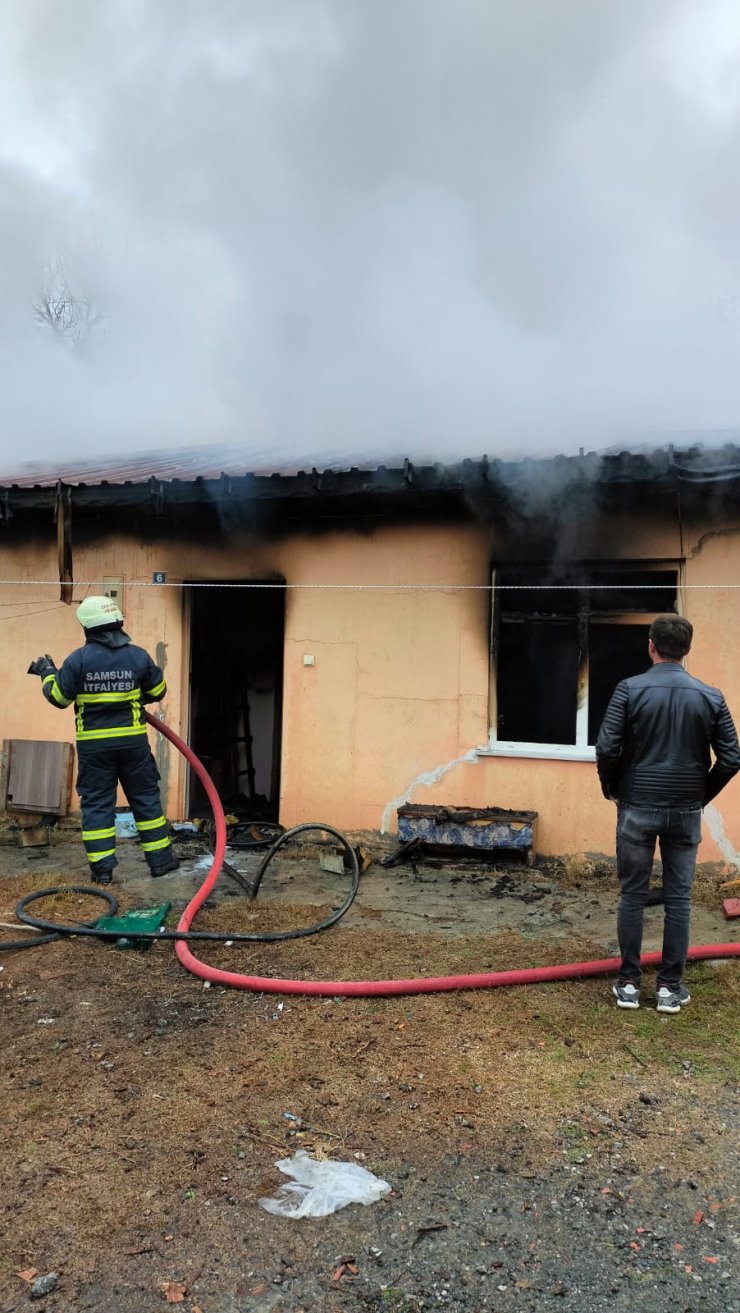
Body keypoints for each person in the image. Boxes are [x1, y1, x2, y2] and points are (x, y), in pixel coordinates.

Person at [596, 614, 740, 1013]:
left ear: (651, 645)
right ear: (687, 649)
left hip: (636, 807)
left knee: (632, 895)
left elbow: (606, 747)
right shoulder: (711, 696)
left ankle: (628, 985)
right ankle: (668, 989)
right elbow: (731, 758)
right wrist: (699, 796)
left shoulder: (629, 689)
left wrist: (613, 787)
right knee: (679, 899)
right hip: (684, 811)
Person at [29, 595, 179, 885]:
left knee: (98, 805)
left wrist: (47, 673)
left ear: (86, 627)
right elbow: (157, 691)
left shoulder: (77, 660)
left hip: (95, 747)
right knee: (146, 800)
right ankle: (161, 863)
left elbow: (59, 698)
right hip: (133, 745)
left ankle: (103, 872)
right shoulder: (138, 656)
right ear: (118, 622)